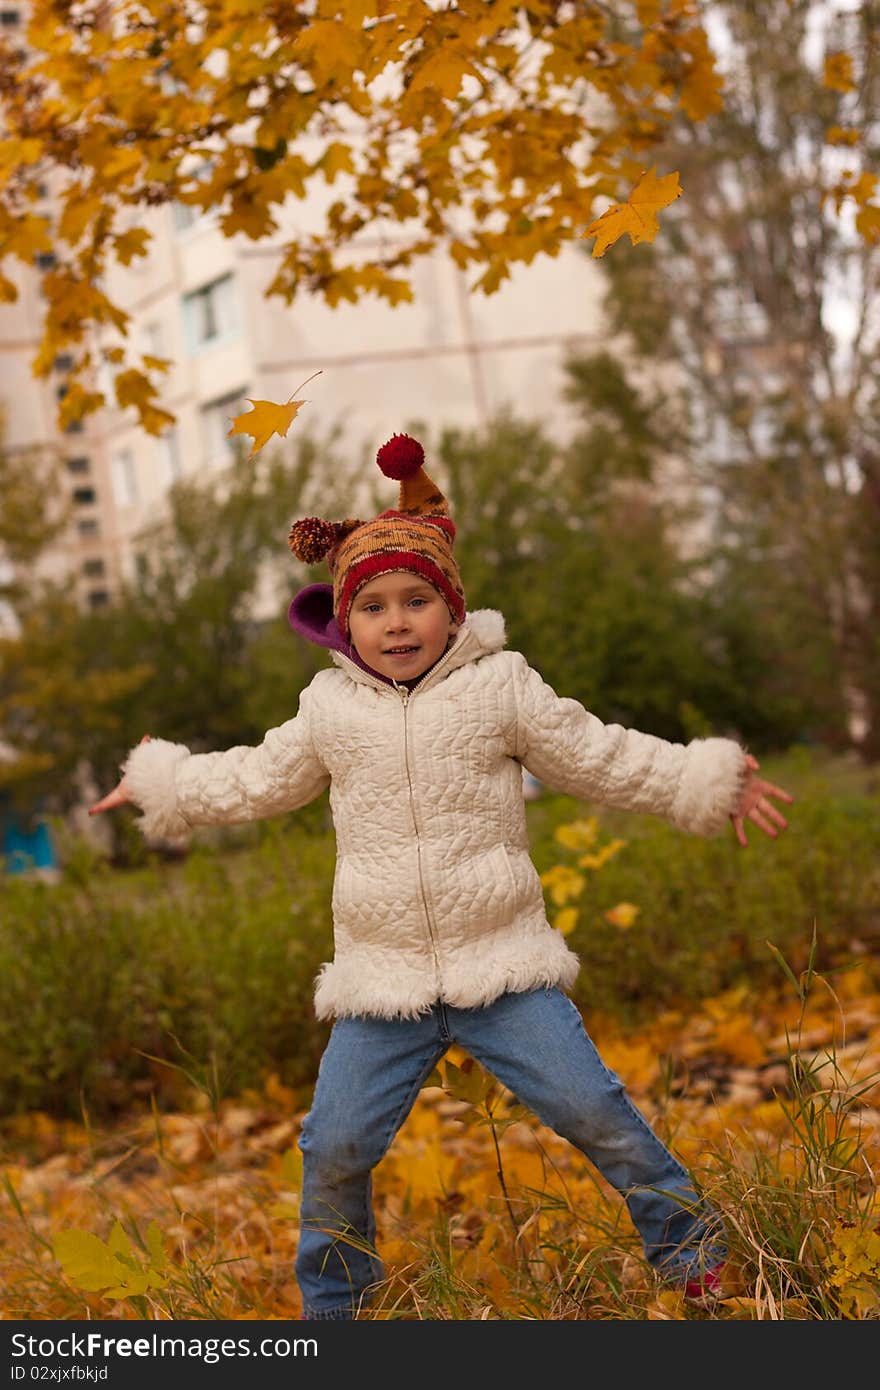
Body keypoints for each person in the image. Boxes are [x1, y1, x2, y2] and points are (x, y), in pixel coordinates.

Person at [90, 431, 794, 1320]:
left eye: (415, 601)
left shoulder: (501, 687)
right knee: (335, 1146)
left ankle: (694, 1256)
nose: (396, 622)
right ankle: (335, 1310)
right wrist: (165, 779)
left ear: (451, 610)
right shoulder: (327, 710)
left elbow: (601, 757)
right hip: (380, 981)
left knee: (596, 1111)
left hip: (502, 965)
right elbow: (253, 779)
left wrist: (709, 780)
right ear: (345, 622)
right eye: (375, 606)